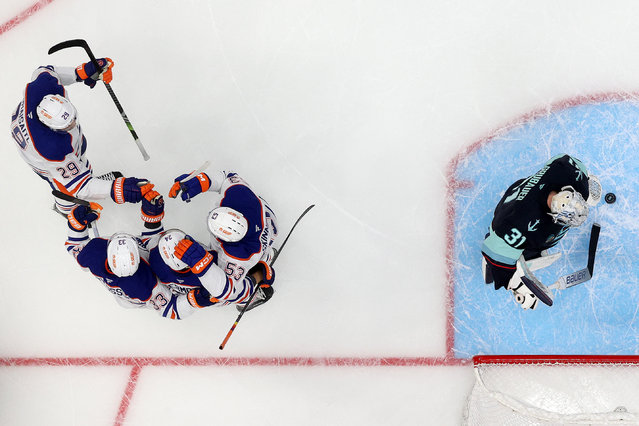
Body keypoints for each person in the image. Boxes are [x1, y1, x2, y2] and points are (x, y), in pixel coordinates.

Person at [10, 59, 149, 214]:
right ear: (52, 128)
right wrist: (115, 189)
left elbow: (46, 70)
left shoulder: (43, 87)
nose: (73, 124)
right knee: (63, 187)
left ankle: (87, 177)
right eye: (67, 125)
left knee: (80, 160)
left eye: (73, 118)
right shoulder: (52, 150)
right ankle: (66, 210)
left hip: (29, 130)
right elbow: (81, 187)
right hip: (37, 156)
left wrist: (79, 73)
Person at [481, 154, 602, 310]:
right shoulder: (519, 223)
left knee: (542, 233)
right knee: (536, 239)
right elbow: (493, 250)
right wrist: (516, 286)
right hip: (506, 220)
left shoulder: (568, 171)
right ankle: (522, 253)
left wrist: (584, 185)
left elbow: (559, 159)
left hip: (519, 200)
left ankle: (516, 250)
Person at [64, 185, 197, 319]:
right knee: (165, 263)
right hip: (139, 295)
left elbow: (75, 245)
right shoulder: (147, 286)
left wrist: (76, 224)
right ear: (138, 258)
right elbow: (172, 310)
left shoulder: (93, 254)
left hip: (128, 288)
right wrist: (153, 219)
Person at [167, 170, 278, 309]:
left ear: (226, 241)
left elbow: (226, 291)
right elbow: (227, 178)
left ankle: (253, 289)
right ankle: (266, 256)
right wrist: (199, 181)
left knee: (215, 296)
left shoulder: (237, 257)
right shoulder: (239, 197)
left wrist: (256, 277)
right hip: (267, 223)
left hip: (256, 248)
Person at [150, 229, 275, 312]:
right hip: (215, 290)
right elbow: (231, 291)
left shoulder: (156, 257)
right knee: (231, 291)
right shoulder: (209, 268)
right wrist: (258, 274)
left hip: (188, 290)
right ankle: (248, 300)